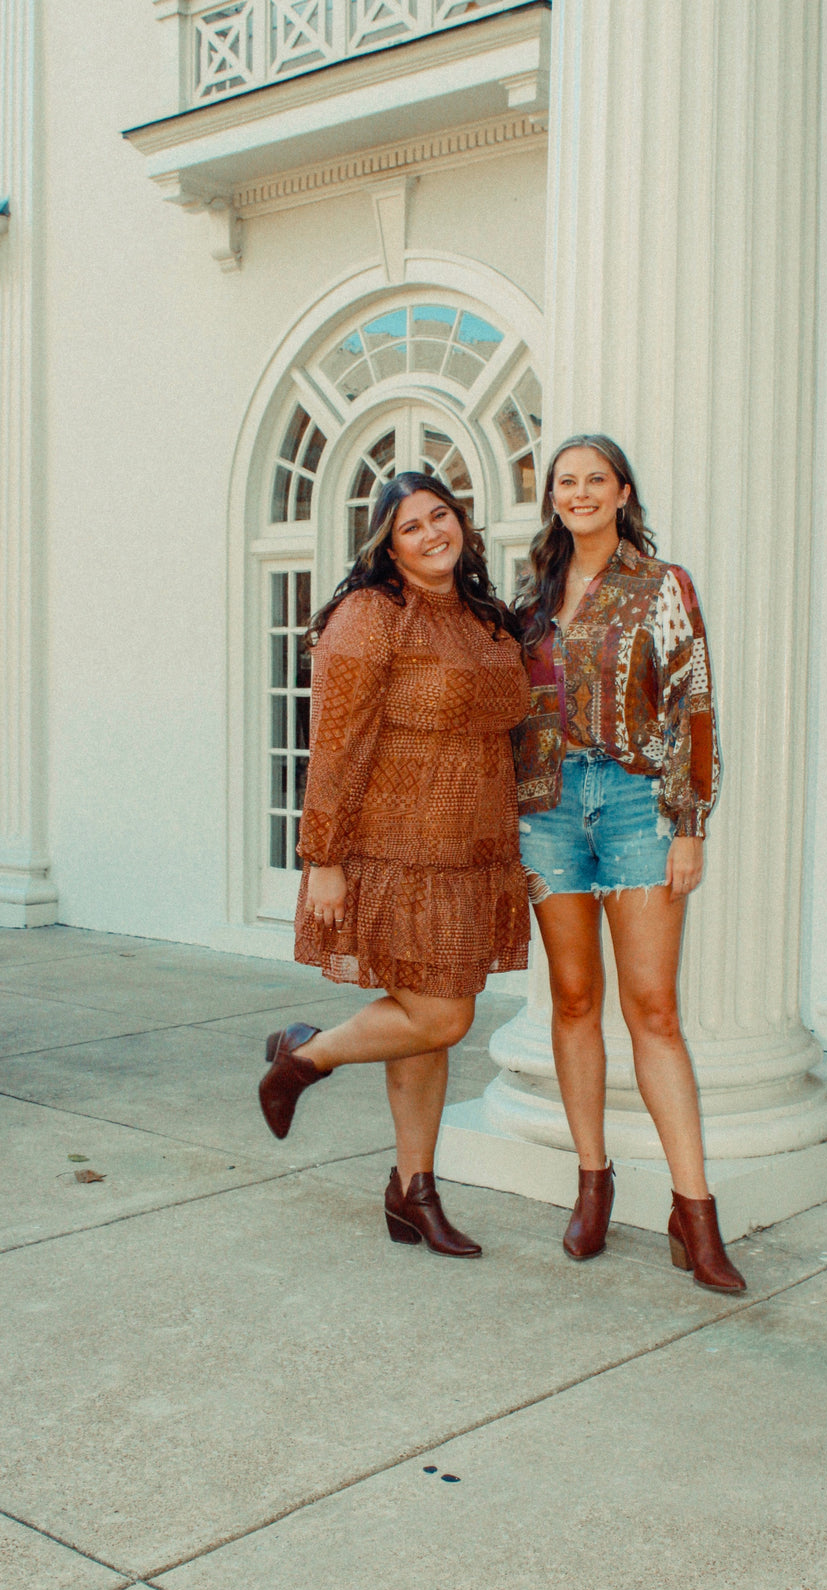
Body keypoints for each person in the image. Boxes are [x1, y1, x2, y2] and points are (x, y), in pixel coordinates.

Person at [259, 471, 530, 1258]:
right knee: (444, 1014)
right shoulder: (370, 615)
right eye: (411, 527)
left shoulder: (486, 618)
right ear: (388, 544)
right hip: (396, 848)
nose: (431, 533)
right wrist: (325, 859)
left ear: (461, 523)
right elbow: (336, 744)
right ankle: (303, 1055)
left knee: (428, 1028)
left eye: (439, 516)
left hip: (472, 853)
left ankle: (414, 1192)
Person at [513, 434, 746, 1293]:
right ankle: (592, 1184)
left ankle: (695, 1215)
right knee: (574, 999)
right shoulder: (530, 598)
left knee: (654, 1010)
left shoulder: (661, 585)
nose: (578, 493)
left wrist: (691, 822)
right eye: (565, 482)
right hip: (546, 810)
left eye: (593, 481)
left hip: (637, 804)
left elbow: (694, 697)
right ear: (555, 499)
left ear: (621, 492)